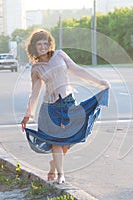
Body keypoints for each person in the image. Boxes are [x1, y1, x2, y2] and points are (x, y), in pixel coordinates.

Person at [20, 29, 110, 184]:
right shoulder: (36, 68)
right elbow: (35, 92)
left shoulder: (59, 55)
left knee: (67, 142)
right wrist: (29, 113)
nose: (42, 47)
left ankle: (54, 165)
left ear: (49, 44)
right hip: (51, 107)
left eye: (45, 43)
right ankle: (61, 174)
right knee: (57, 141)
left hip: (69, 103)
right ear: (34, 47)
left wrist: (99, 82)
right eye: (39, 44)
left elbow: (77, 70)